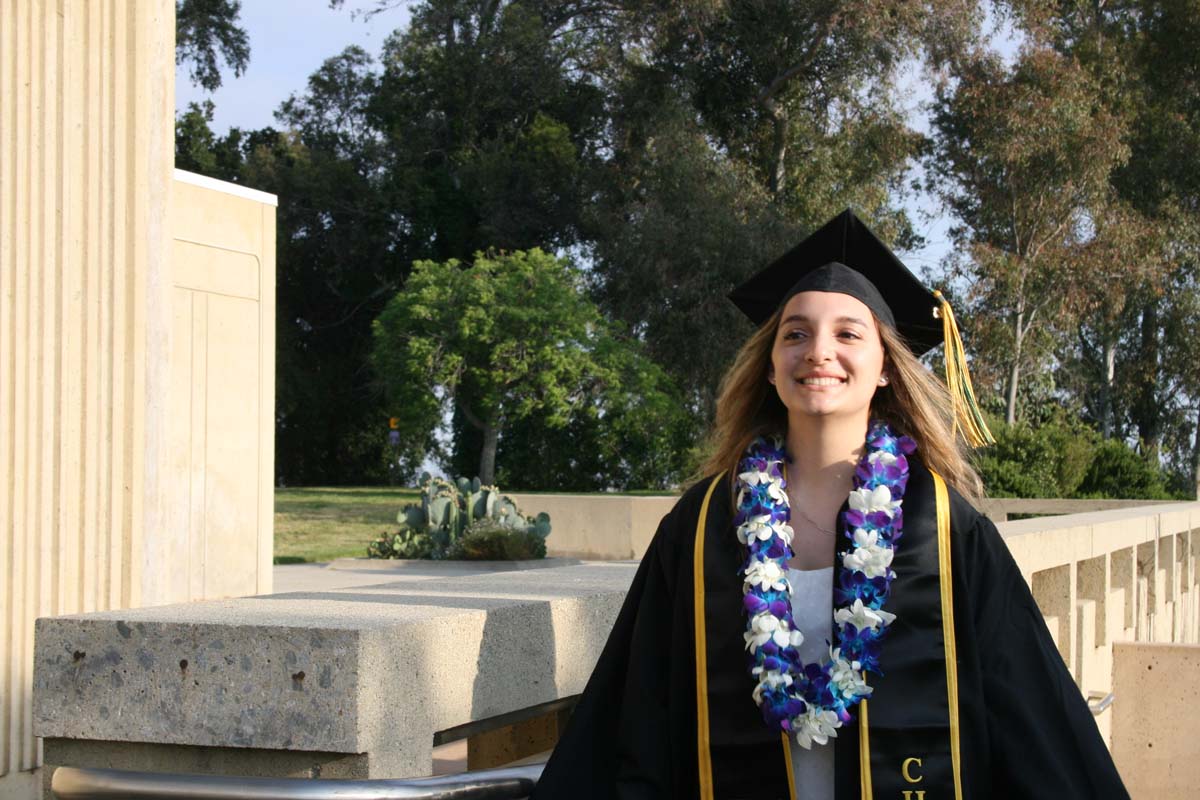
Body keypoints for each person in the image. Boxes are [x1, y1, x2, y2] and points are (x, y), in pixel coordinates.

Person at [531, 209, 1130, 800]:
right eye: (795, 333)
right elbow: (637, 713)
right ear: (769, 368)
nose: (818, 351)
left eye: (847, 333)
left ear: (886, 369)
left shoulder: (944, 529)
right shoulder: (701, 524)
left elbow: (1027, 716)